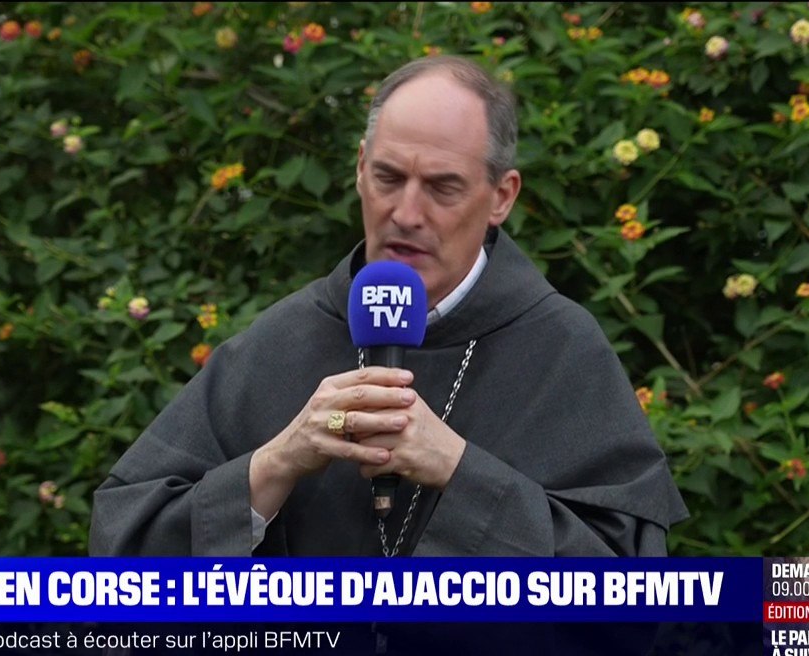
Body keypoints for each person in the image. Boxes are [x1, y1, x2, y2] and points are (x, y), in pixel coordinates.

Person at [90, 55, 688, 560]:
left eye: (442, 186)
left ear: (501, 196)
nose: (405, 213)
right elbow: (126, 546)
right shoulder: (285, 336)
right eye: (387, 177)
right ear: (358, 170)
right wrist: (275, 463)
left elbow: (627, 591)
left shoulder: (563, 349)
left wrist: (459, 470)